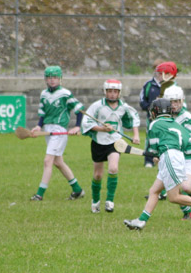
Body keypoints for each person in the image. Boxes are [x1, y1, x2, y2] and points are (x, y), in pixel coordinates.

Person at [124, 98, 191, 230]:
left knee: (173, 197)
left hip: (169, 158)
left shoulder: (154, 124)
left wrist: (158, 156)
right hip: (178, 157)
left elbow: (153, 149)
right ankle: (141, 221)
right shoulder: (178, 125)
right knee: (154, 191)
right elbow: (188, 144)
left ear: (155, 111)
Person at [81, 79, 140, 213]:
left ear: (119, 93)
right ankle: (95, 201)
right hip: (98, 142)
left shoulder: (123, 107)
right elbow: (86, 122)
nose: (112, 94)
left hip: (115, 142)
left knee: (113, 168)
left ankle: (110, 201)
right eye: (109, 91)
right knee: (97, 175)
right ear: (105, 92)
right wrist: (102, 129)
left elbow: (135, 117)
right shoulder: (97, 106)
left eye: (115, 92)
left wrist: (136, 135)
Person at [30, 65, 85, 201]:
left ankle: (39, 194)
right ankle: (77, 190)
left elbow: (79, 109)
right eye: (49, 78)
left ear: (60, 79)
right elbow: (42, 113)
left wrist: (77, 126)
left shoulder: (65, 94)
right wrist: (38, 126)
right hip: (48, 130)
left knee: (47, 161)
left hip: (59, 130)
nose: (52, 80)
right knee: (58, 162)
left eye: (55, 77)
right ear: (45, 79)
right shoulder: (44, 94)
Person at [164, 85, 191, 220]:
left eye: (177, 102)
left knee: (185, 186)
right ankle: (188, 212)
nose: (174, 105)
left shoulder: (187, 118)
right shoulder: (163, 116)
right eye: (171, 102)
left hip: (187, 156)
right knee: (173, 189)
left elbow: (188, 140)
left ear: (182, 101)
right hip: (171, 156)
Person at [139, 60, 178, 169]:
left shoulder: (173, 86)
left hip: (169, 117)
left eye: (162, 71)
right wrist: (151, 108)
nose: (160, 74)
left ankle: (167, 158)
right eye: (158, 71)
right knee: (151, 137)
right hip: (153, 117)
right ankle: (149, 160)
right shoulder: (149, 85)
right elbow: (142, 101)